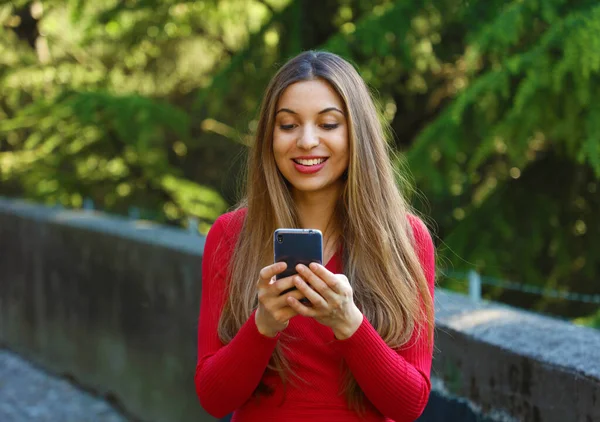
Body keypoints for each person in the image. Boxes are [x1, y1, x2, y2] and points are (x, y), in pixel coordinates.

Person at [194, 51, 435, 422]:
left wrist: (347, 322)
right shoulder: (230, 236)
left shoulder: (405, 240)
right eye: (288, 125)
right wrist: (263, 326)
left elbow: (409, 405)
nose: (306, 141)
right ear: (269, 137)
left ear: (357, 134)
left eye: (328, 124)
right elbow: (213, 398)